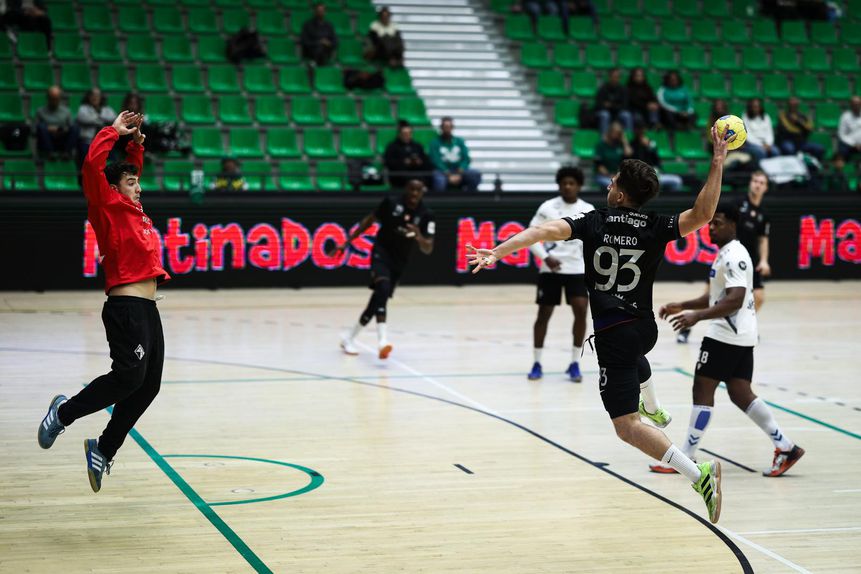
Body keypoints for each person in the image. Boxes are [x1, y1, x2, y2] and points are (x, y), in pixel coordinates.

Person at [468, 126, 733, 524]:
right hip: (643, 328)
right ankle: (656, 408)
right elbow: (703, 214)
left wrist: (497, 252)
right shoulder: (656, 226)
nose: (607, 184)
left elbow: (542, 232)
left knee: (626, 427)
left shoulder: (593, 221)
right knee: (635, 364)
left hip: (614, 333)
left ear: (620, 195)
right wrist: (717, 160)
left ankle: (699, 476)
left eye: (612, 182)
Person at [37, 111, 170, 493]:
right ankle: (62, 414)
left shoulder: (134, 210)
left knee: (148, 386)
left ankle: (104, 447)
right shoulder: (107, 206)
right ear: (113, 188)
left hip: (148, 308)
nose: (138, 188)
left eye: (138, 182)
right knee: (129, 376)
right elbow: (94, 166)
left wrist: (135, 146)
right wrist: (112, 131)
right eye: (131, 183)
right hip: (126, 307)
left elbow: (130, 171)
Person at [651, 202, 805, 477]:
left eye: (717, 222)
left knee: (702, 390)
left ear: (732, 225)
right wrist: (682, 305)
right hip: (740, 335)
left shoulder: (735, 255)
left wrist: (696, 317)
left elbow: (733, 300)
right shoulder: (725, 254)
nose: (711, 227)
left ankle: (685, 456)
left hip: (726, 335)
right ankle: (785, 446)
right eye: (710, 223)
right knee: (740, 392)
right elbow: (716, 297)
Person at [334, 179, 435, 358]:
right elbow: (369, 221)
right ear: (406, 189)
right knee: (383, 288)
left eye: (418, 191)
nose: (414, 194)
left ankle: (349, 338)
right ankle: (382, 341)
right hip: (381, 252)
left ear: (422, 193)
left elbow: (428, 248)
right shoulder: (391, 203)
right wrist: (347, 242)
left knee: (378, 299)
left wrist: (418, 235)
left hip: (400, 261)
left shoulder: (426, 214)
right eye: (411, 189)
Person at [527, 167, 595, 382]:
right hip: (550, 270)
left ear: (579, 186)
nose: (567, 186)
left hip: (577, 269)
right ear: (559, 185)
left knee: (581, 311)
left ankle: (575, 362)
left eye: (572, 183)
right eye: (564, 183)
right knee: (543, 315)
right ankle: (537, 362)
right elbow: (530, 235)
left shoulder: (588, 209)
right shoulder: (548, 207)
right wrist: (545, 257)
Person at [736, 171, 771, 312]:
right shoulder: (738, 205)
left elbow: (763, 239)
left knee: (758, 297)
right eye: (755, 181)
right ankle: (687, 328)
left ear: (766, 188)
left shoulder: (764, 213)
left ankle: (748, 330)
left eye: (761, 183)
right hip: (734, 256)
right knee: (710, 296)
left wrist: (764, 261)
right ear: (750, 183)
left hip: (752, 259)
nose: (758, 185)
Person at [429, 116, 482, 192]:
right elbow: (435, 160)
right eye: (445, 127)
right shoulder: (434, 143)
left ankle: (468, 198)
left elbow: (466, 158)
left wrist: (460, 171)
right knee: (438, 179)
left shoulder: (459, 141)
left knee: (475, 174)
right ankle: (441, 202)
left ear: (452, 127)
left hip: (459, 171)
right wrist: (448, 173)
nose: (447, 129)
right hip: (443, 171)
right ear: (441, 128)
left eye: (449, 127)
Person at [630, 121, 683, 192]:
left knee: (677, 181)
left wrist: (648, 147)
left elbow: (656, 160)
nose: (640, 131)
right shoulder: (632, 145)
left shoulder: (651, 143)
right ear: (634, 130)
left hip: (653, 173)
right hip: (638, 177)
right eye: (638, 129)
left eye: (642, 129)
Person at [384, 120, 431, 188]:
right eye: (404, 134)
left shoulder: (418, 146)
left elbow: (426, 160)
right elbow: (388, 162)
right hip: (400, 176)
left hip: (417, 174)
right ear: (399, 134)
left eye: (409, 133)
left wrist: (419, 162)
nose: (407, 136)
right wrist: (404, 162)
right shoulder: (392, 147)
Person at [76, 88, 116, 168]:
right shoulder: (83, 108)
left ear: (101, 97)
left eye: (97, 95)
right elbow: (82, 118)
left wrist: (96, 119)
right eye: (92, 95)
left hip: (104, 142)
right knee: (85, 162)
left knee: (113, 159)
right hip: (88, 142)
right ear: (88, 97)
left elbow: (114, 118)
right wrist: (102, 120)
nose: (95, 97)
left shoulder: (107, 109)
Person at [35, 85, 74, 159]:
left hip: (62, 138)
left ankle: (66, 152)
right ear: (48, 98)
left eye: (56, 99)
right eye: (52, 99)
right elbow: (34, 129)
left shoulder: (66, 111)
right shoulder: (40, 111)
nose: (54, 101)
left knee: (75, 128)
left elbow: (71, 127)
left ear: (60, 98)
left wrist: (59, 129)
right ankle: (50, 153)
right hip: (46, 139)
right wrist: (48, 129)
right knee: (41, 127)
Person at [593, 121, 631, 189]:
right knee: (612, 185)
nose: (617, 135)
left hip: (617, 176)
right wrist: (610, 175)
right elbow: (599, 166)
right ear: (610, 132)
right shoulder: (601, 145)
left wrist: (624, 141)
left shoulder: (619, 145)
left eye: (619, 133)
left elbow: (629, 154)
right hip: (603, 176)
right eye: (616, 132)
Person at [595, 68, 633, 135]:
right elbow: (599, 105)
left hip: (618, 113)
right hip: (606, 112)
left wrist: (611, 105)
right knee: (605, 115)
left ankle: (628, 140)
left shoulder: (623, 89)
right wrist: (615, 105)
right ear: (609, 77)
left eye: (617, 77)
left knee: (627, 115)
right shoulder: (603, 89)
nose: (615, 79)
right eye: (614, 77)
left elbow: (624, 105)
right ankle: (604, 140)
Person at [742, 98, 779, 163]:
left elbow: (770, 133)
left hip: (767, 143)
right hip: (752, 144)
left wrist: (768, 144)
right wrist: (761, 145)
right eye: (754, 107)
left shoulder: (766, 116)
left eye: (757, 107)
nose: (756, 109)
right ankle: (761, 171)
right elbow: (748, 135)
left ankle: (773, 171)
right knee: (761, 152)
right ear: (750, 107)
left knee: (776, 151)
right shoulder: (745, 116)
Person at [837, 95, 861, 163]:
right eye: (855, 104)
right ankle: (842, 170)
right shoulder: (845, 116)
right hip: (849, 144)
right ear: (851, 105)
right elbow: (841, 135)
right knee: (842, 150)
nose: (857, 106)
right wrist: (854, 144)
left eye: (858, 104)